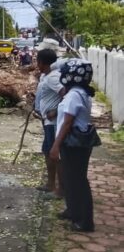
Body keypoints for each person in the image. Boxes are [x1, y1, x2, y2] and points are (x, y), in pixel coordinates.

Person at [50, 59, 96, 232]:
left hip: (74, 142)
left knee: (78, 181)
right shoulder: (79, 92)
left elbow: (68, 122)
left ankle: (85, 221)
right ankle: (73, 211)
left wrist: (55, 146)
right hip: (76, 142)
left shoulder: (74, 95)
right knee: (71, 178)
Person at [35, 49, 64, 199]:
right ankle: (50, 184)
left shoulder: (53, 78)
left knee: (55, 155)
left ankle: (59, 190)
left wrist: (56, 111)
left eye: (37, 61)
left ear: (42, 62)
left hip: (53, 122)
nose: (36, 64)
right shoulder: (45, 76)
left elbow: (66, 96)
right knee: (47, 151)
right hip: (47, 121)